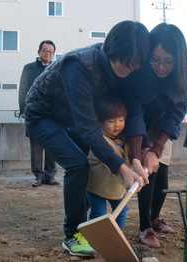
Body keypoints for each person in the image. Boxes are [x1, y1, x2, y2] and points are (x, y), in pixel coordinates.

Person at [24, 20, 149, 257]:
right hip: (42, 114)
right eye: (126, 63)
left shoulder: (126, 69)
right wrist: (119, 167)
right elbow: (88, 127)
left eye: (135, 65)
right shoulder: (79, 66)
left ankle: (87, 225)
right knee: (78, 164)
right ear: (113, 49)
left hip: (70, 116)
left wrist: (135, 157)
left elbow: (134, 109)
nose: (129, 69)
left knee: (93, 161)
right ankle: (72, 235)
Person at [121, 23, 187, 248]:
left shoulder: (185, 73)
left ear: (178, 59)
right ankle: (144, 227)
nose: (161, 67)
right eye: (155, 59)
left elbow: (178, 110)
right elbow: (136, 111)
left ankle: (154, 217)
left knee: (163, 176)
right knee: (146, 174)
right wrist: (141, 149)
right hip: (138, 122)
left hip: (163, 125)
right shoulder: (140, 72)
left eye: (168, 61)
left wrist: (157, 147)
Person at [86, 94, 134, 231]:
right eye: (111, 121)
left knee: (122, 210)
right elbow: (112, 154)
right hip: (96, 186)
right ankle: (94, 239)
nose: (117, 124)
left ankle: (116, 236)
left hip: (116, 186)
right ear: (100, 122)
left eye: (121, 120)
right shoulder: (98, 140)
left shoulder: (125, 138)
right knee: (98, 213)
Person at [18, 40, 59, 187]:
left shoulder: (56, 68)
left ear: (53, 54)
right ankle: (38, 176)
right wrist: (23, 109)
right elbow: (23, 90)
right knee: (36, 146)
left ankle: (50, 175)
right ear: (39, 52)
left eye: (50, 51)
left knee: (52, 145)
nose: (47, 53)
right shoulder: (29, 68)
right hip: (34, 113)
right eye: (44, 50)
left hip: (52, 114)